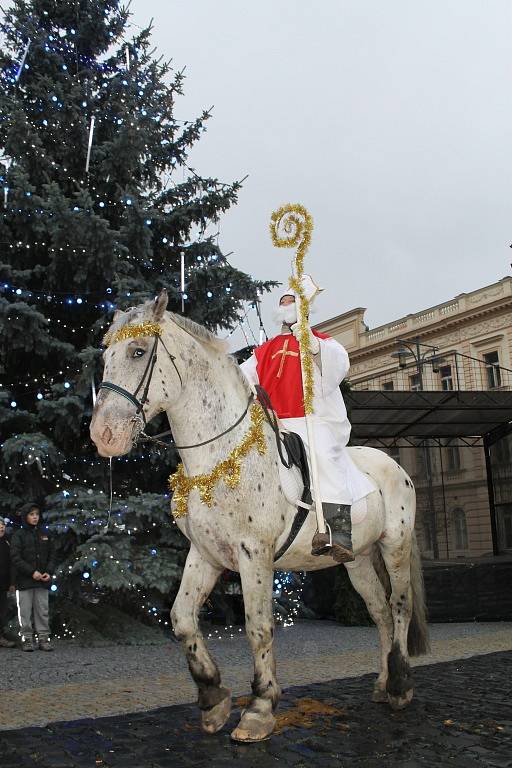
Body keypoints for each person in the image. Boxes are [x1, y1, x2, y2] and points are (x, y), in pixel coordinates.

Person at [240, 292, 374, 563]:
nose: (286, 306)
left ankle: (339, 531)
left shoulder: (322, 341)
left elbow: (339, 365)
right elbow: (241, 375)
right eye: (282, 303)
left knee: (325, 456)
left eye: (292, 302)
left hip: (311, 419)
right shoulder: (264, 349)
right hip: (273, 421)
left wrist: (311, 344)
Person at [10, 504, 56, 651]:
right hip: (24, 581)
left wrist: (48, 571)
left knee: (42, 610)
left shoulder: (44, 533)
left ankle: (43, 638)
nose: (35, 517)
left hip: (42, 580)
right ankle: (27, 639)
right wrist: (31, 572)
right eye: (31, 514)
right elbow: (15, 558)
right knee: (24, 611)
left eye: (37, 514)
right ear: (25, 516)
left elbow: (52, 554)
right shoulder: (19, 535)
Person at [0, 517, 16, 648]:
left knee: (2, 611)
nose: (1, 527)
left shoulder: (8, 541)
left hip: (4, 584)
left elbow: (12, 563)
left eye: (2, 524)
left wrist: (12, 582)